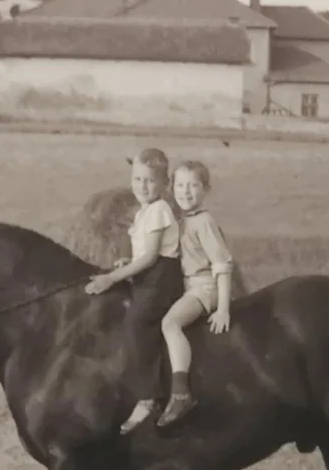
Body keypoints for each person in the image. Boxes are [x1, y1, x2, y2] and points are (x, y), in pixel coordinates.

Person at [85, 148, 185, 435]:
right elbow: (143, 255)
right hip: (149, 275)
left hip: (162, 279)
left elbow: (152, 258)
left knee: (137, 322)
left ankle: (149, 396)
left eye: (150, 181)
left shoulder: (159, 211)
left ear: (164, 184)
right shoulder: (145, 211)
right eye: (137, 179)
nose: (142, 186)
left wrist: (112, 277)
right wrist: (128, 262)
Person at [156, 160, 235, 427]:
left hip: (204, 287)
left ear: (206, 189)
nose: (185, 191)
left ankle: (181, 393)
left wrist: (223, 308)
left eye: (193, 185)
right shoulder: (180, 221)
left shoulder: (204, 222)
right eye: (180, 185)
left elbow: (222, 266)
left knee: (171, 323)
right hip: (187, 286)